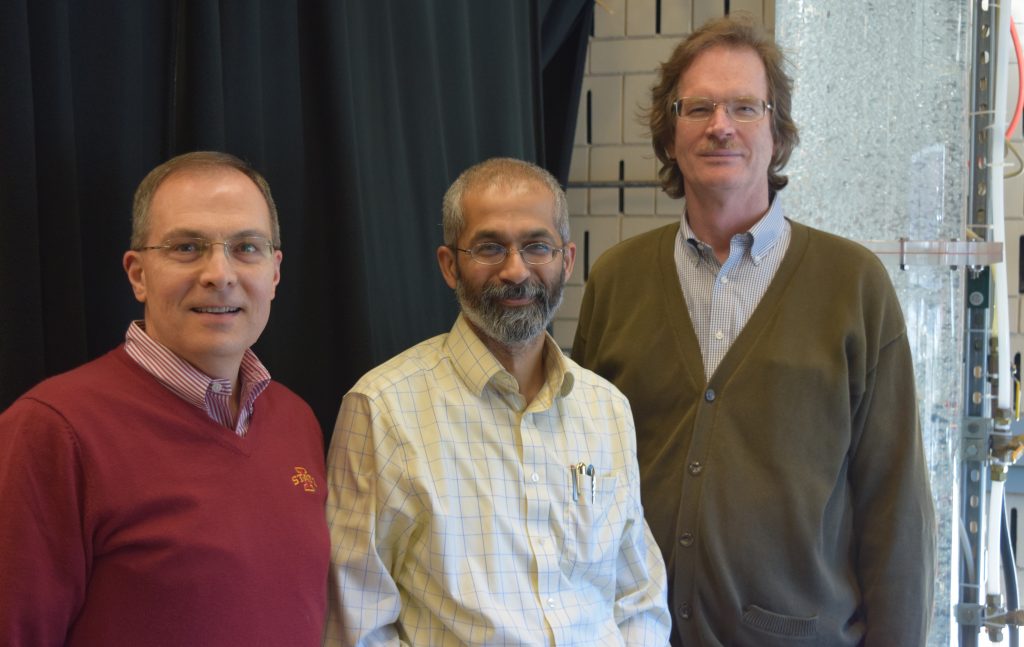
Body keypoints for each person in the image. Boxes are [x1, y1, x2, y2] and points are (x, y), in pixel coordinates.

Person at [571, 16, 936, 647]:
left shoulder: (854, 285)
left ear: (777, 131)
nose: (720, 126)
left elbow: (895, 506)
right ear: (670, 130)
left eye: (745, 106)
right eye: (699, 108)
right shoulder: (616, 282)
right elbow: (581, 479)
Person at [323, 157, 670, 646]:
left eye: (536, 246)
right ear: (450, 265)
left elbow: (639, 597)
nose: (515, 270)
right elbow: (357, 623)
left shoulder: (607, 408)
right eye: (490, 247)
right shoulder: (382, 410)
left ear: (567, 260)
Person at [0, 151, 329, 646]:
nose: (220, 273)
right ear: (137, 274)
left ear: (275, 272)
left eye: (247, 248)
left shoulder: (295, 419)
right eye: (187, 247)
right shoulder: (54, 429)